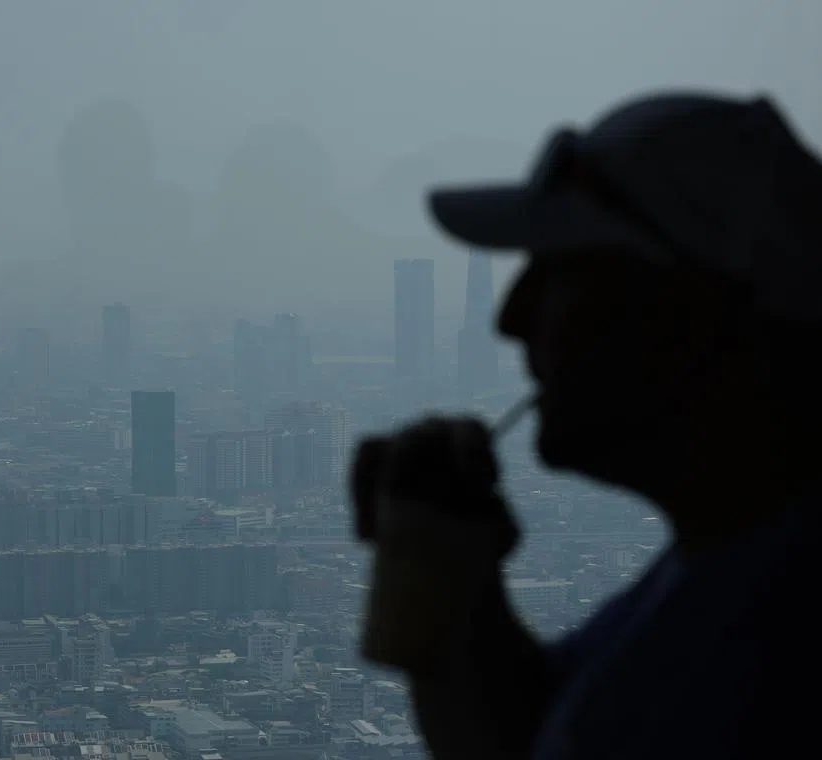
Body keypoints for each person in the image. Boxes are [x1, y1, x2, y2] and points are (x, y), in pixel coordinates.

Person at [352, 91, 822, 760]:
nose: (512, 316)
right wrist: (456, 584)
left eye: (562, 272)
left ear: (691, 311)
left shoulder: (784, 633)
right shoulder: (724, 568)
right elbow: (539, 735)